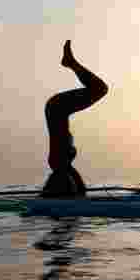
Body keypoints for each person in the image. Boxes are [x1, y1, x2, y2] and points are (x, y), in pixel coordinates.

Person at [41, 40, 109, 197]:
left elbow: (76, 192)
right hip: (56, 108)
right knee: (100, 89)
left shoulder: (60, 165)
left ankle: (71, 63)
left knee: (100, 89)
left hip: (57, 108)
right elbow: (79, 192)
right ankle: (71, 63)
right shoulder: (62, 167)